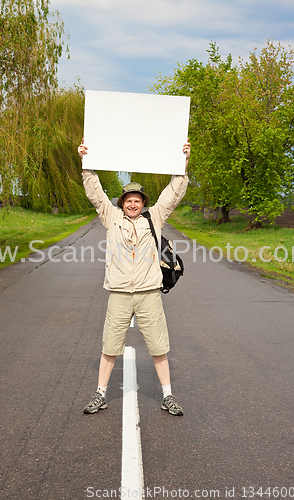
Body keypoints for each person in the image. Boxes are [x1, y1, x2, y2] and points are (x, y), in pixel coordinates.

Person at [78, 138, 190, 416]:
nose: (132, 204)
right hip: (118, 293)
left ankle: (168, 396)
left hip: (148, 293)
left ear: (143, 203)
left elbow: (172, 193)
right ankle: (100, 394)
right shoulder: (110, 217)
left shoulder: (155, 218)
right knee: (109, 347)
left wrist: (182, 163)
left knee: (159, 346)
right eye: (128, 201)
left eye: (137, 200)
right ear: (122, 203)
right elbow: (95, 194)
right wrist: (86, 165)